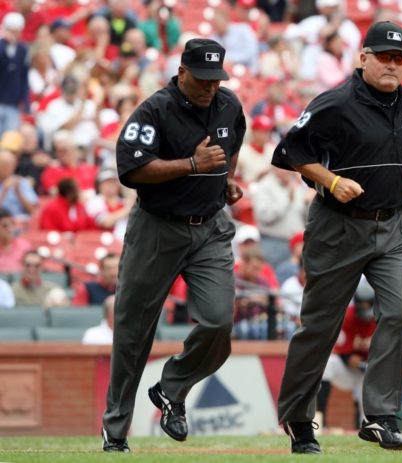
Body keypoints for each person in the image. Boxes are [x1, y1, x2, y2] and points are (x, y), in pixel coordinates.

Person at [272, 21, 402, 453]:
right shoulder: (335, 103)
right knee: (321, 326)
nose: (393, 64)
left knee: (399, 311)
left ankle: (379, 416)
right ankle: (300, 420)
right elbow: (290, 152)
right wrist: (331, 180)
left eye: (399, 58)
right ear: (363, 58)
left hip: (394, 226)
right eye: (384, 56)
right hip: (339, 225)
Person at [101, 38, 246, 453]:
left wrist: (226, 178)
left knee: (219, 322)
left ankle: (170, 388)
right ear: (181, 72)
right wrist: (192, 165)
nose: (209, 87)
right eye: (201, 79)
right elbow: (131, 170)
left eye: (216, 79)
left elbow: (231, 146)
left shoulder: (229, 104)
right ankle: (116, 432)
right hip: (157, 228)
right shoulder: (155, 110)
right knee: (133, 332)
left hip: (210, 228)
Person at [317, 278, 377, 429]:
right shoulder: (348, 317)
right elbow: (346, 356)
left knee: (367, 416)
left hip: (372, 372)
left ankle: (367, 429)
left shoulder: (381, 318)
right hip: (351, 370)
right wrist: (363, 363)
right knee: (328, 365)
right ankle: (320, 420)